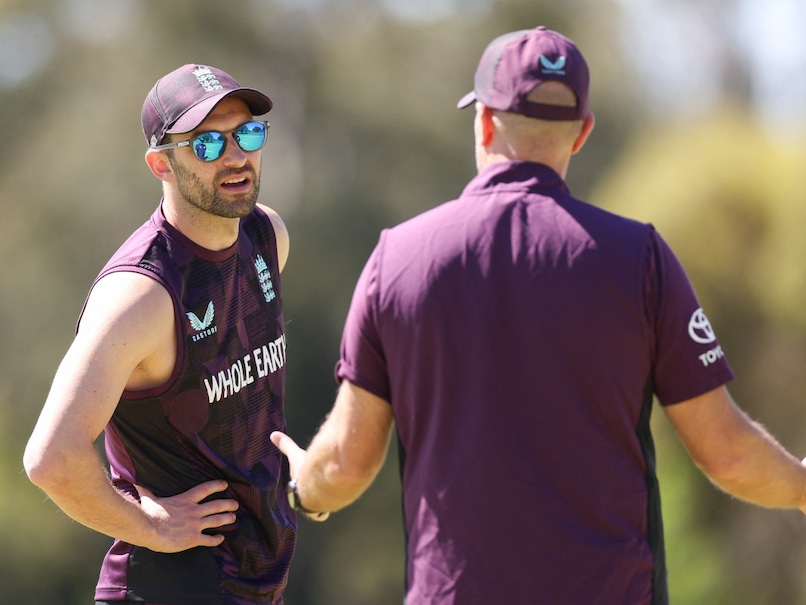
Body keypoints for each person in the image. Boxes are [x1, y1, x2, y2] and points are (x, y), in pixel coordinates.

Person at [270, 26, 806, 604]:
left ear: (483, 122)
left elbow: (346, 465)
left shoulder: (397, 260)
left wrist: (302, 487)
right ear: (581, 134)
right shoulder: (640, 260)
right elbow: (727, 453)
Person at [24, 64, 318, 605]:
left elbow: (237, 395)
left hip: (258, 581)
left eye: (247, 133)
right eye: (206, 144)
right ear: (161, 164)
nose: (236, 157)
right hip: (172, 588)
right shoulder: (140, 294)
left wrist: (295, 474)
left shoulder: (266, 235)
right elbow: (51, 458)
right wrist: (152, 526)